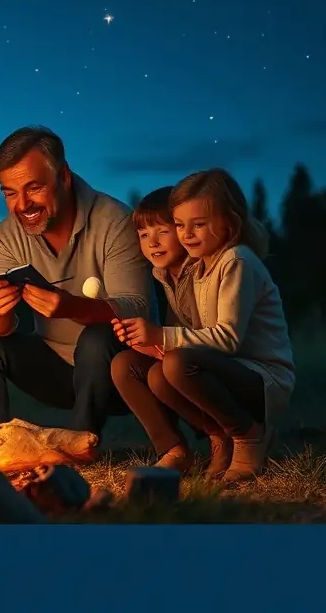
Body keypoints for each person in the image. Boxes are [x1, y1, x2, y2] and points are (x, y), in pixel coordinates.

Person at [0, 126, 154, 455]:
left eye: (33, 188)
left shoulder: (115, 221)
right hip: (56, 371)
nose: (22, 204)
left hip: (121, 373)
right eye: (10, 193)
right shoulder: (7, 236)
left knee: (97, 337)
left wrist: (71, 308)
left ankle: (78, 447)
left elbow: (136, 308)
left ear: (63, 176)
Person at [113, 168, 295, 483]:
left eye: (199, 224)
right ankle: (216, 437)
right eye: (181, 225)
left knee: (176, 364)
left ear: (230, 222)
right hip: (229, 370)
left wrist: (161, 336)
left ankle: (250, 435)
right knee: (147, 370)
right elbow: (190, 335)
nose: (188, 234)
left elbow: (227, 339)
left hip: (263, 379)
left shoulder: (236, 262)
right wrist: (150, 343)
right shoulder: (200, 266)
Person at [111, 186, 230, 475]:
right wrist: (145, 343)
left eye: (162, 231)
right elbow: (177, 342)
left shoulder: (204, 270)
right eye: (143, 235)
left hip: (229, 367)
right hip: (192, 364)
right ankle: (173, 449)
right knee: (124, 364)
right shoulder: (166, 276)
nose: (152, 242)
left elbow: (216, 341)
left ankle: (225, 435)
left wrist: (160, 339)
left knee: (160, 374)